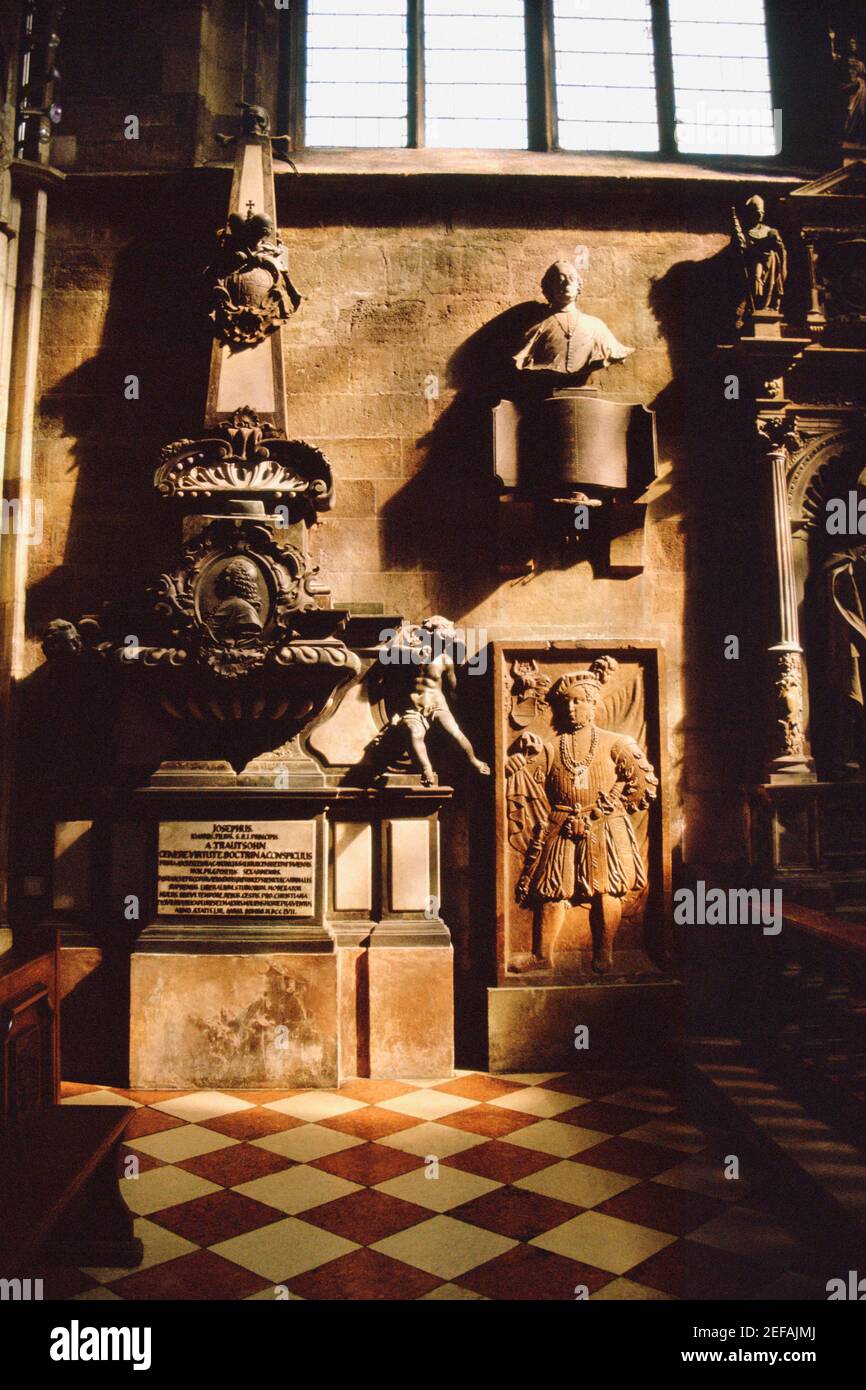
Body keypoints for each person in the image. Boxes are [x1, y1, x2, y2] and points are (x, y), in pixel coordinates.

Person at [507, 657, 656, 973]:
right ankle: (542, 956)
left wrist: (613, 808)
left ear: (592, 703)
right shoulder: (552, 747)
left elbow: (645, 783)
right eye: (566, 703)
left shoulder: (616, 743)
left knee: (606, 888)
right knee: (551, 888)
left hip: (604, 824)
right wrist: (517, 756)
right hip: (561, 823)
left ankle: (605, 953)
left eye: (578, 702)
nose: (571, 709)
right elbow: (524, 778)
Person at [514, 260, 634, 381]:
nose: (566, 284)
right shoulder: (538, 326)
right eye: (560, 279)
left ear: (578, 285)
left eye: (572, 278)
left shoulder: (596, 326)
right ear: (550, 287)